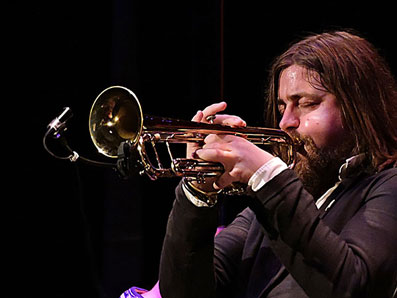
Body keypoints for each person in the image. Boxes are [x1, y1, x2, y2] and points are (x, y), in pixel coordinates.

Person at [122, 30, 397, 297]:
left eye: (307, 103)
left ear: (358, 107)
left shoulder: (388, 186)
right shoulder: (260, 213)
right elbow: (184, 292)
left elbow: (355, 285)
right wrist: (197, 191)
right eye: (281, 108)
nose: (286, 122)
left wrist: (268, 177)